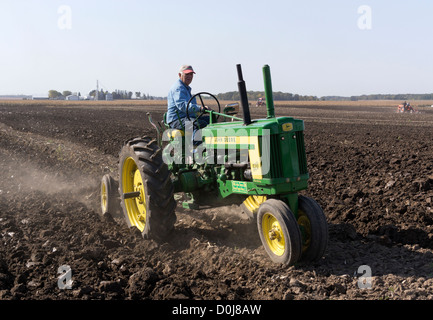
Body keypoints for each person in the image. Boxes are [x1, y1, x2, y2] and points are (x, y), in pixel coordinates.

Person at [166, 65, 209, 145]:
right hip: (176, 120)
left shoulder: (186, 88)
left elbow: (192, 107)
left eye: (191, 74)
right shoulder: (178, 88)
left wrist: (204, 111)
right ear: (180, 75)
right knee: (200, 124)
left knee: (211, 119)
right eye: (187, 74)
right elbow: (183, 106)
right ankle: (195, 149)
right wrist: (200, 108)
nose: (189, 76)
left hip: (187, 118)